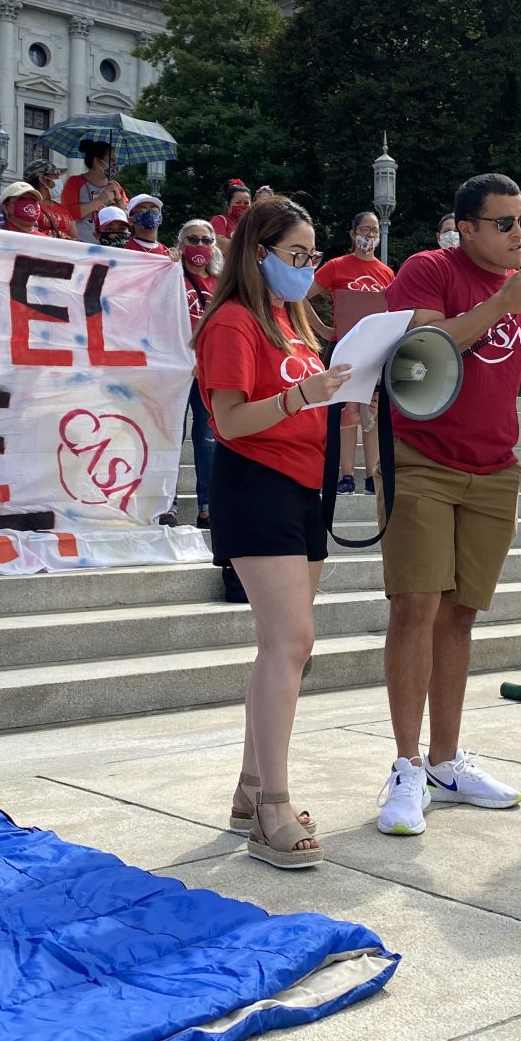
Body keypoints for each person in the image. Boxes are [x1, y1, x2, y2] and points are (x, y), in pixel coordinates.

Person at [374, 173, 521, 836]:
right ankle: (407, 767)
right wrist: (499, 306)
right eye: (505, 223)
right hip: (421, 458)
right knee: (416, 604)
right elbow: (420, 358)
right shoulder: (428, 270)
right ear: (465, 227)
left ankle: (445, 762)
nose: (519, 233)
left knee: (460, 616)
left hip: (495, 470)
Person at [194, 198, 352, 869]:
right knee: (291, 640)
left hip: (302, 485)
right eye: (296, 256)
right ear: (258, 253)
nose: (305, 268)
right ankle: (272, 806)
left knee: (284, 645)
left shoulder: (295, 322)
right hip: (255, 483)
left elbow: (308, 400)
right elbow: (229, 420)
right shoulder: (233, 322)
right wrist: (301, 398)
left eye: (311, 257)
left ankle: (251, 789)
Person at [314, 211, 395, 495]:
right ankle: (346, 475)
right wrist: (323, 329)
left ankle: (372, 475)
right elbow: (300, 296)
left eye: (374, 231)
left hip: (375, 353)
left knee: (371, 413)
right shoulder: (337, 266)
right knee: (346, 413)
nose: (370, 236)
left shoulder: (386, 272)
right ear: (352, 234)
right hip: (345, 349)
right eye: (364, 230)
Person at [178, 218, 221, 530]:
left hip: (210, 367)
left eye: (207, 240)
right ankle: (166, 505)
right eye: (194, 239)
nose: (201, 246)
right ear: (181, 244)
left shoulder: (221, 281)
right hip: (177, 368)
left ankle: (208, 506)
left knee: (207, 440)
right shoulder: (169, 275)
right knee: (171, 437)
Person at [59, 140, 127, 243]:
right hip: (82, 245)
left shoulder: (115, 186)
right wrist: (100, 200)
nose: (114, 164)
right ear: (98, 161)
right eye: (111, 160)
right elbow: (68, 215)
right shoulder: (75, 182)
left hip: (111, 245)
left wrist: (119, 199)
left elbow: (128, 216)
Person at [19, 159, 76, 238]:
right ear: (43, 179)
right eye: (56, 177)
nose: (59, 181)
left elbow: (74, 237)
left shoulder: (63, 209)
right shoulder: (27, 207)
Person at [212, 179, 252, 252]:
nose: (242, 206)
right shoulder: (219, 220)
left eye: (246, 203)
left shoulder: (253, 223)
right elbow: (219, 242)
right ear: (228, 204)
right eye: (238, 202)